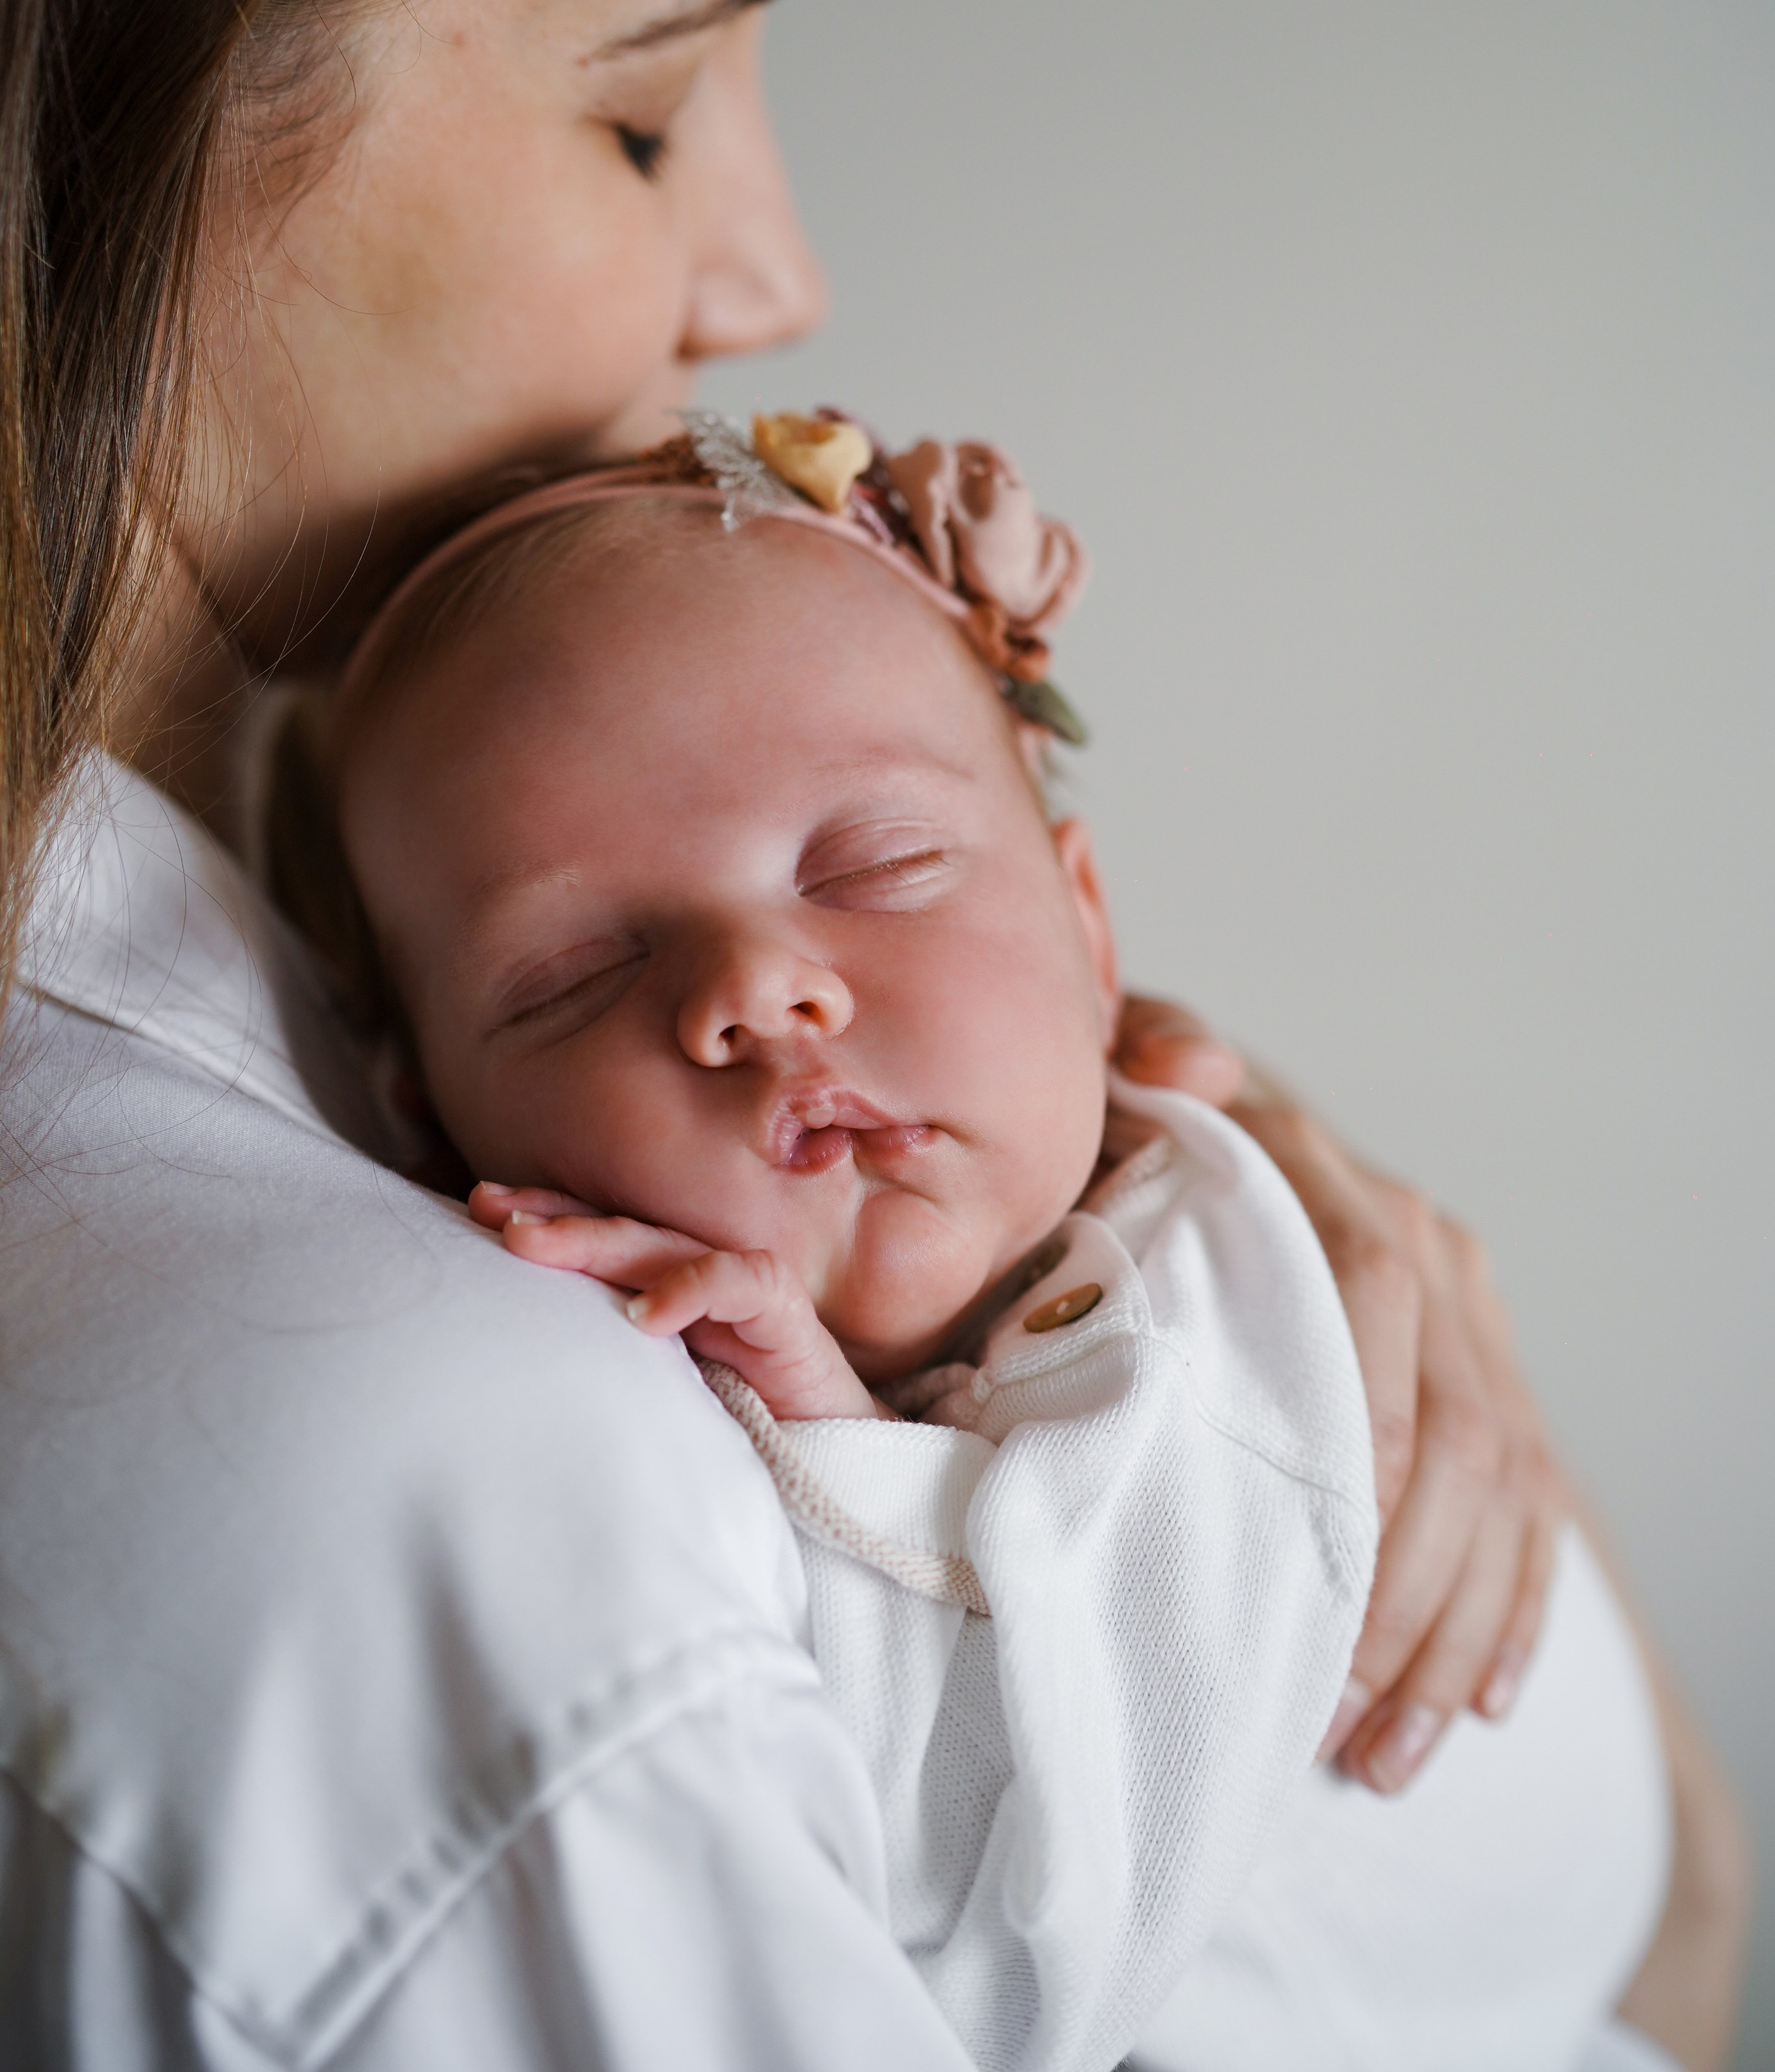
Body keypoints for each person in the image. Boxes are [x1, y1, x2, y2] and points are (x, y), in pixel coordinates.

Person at [0, 0, 1742, 2067]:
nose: (776, 267)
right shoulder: (431, 1497)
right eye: (644, 102)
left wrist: (1178, 1261)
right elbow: (1674, 1944)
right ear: (119, 68)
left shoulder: (285, 995)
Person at [305, 411, 1667, 2072]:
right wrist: (821, 1421)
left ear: (1093, 937)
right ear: (432, 1128)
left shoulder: (1206, 1312)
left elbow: (1008, 1938)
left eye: (873, 863)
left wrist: (828, 1439)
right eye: (573, 974)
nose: (756, 990)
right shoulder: (614, 1456)